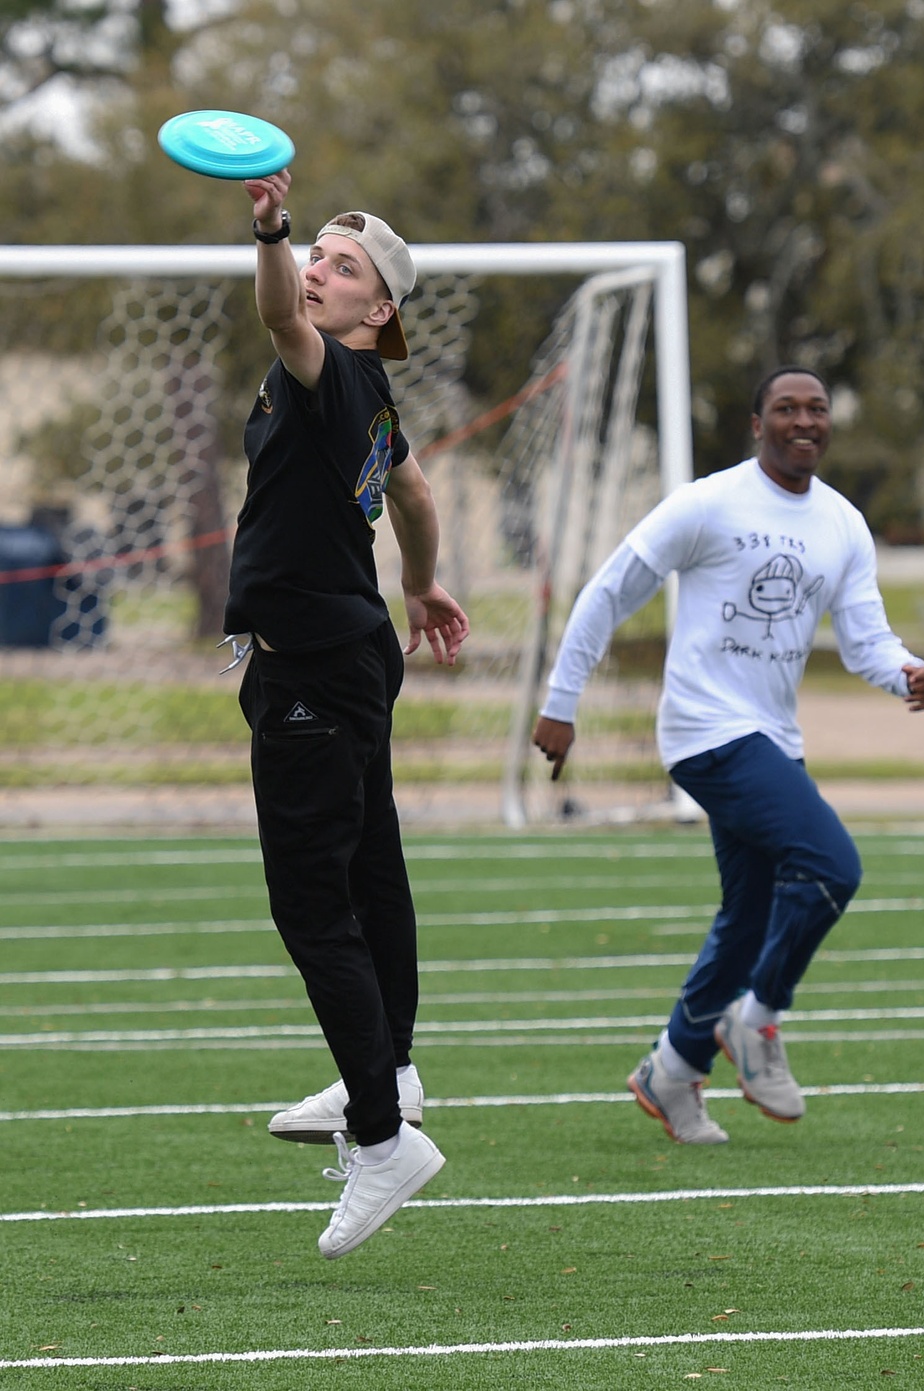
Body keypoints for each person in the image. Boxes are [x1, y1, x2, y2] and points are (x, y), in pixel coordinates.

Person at [532, 366, 924, 1145]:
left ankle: (675, 1065)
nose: (803, 420)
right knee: (832, 865)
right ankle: (757, 1020)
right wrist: (562, 698)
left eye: (817, 408)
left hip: (770, 739)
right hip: (702, 732)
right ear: (757, 424)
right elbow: (610, 589)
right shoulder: (708, 503)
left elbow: (865, 640)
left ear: (827, 424)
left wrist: (906, 672)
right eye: (785, 408)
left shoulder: (843, 524)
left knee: (747, 917)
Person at [222, 168, 469, 1257]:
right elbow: (413, 494)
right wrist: (422, 582)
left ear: (377, 311)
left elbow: (275, 309)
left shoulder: (324, 365)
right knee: (372, 870)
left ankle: (381, 1136)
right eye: (315, 252)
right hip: (340, 657)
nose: (317, 272)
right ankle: (394, 1072)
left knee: (314, 906)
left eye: (341, 266)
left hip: (320, 672)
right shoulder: (371, 401)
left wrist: (271, 229)